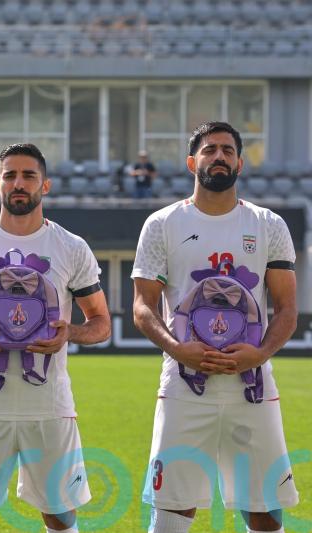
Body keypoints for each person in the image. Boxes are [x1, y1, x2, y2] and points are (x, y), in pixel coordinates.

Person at [0, 143, 111, 533]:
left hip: (49, 405)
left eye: (28, 175)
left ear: (45, 185)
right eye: (10, 175)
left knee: (60, 516)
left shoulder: (70, 247)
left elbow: (101, 323)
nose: (19, 183)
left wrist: (70, 333)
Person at [131, 121, 299, 533]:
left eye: (227, 150)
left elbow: (287, 308)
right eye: (210, 150)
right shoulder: (162, 224)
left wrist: (259, 354)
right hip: (185, 385)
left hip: (252, 387)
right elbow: (142, 306)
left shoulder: (268, 225)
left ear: (240, 162)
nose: (219, 156)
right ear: (192, 162)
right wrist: (178, 349)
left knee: (264, 513)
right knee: (172, 511)